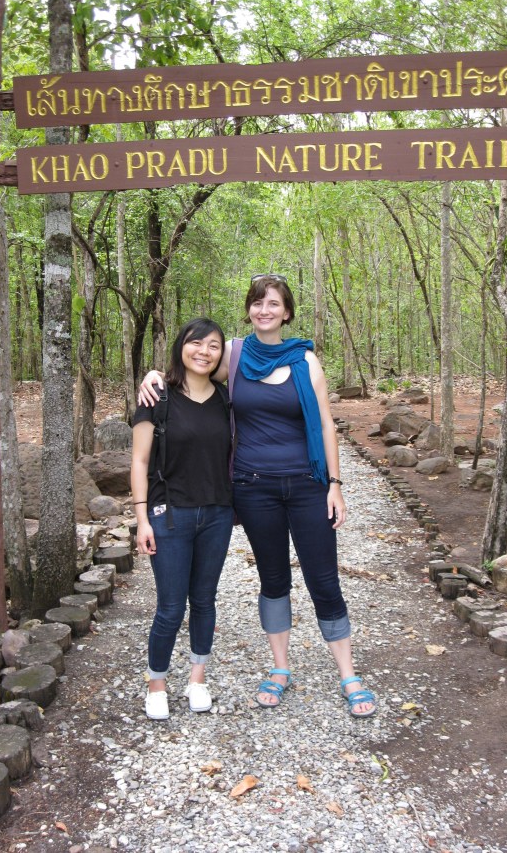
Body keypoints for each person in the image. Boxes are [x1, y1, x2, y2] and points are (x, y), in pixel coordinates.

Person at [140, 275, 376, 718]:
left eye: (273, 304)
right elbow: (192, 367)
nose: (264, 310)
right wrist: (153, 375)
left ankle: (348, 673)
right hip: (252, 487)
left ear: (286, 312)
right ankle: (280, 668)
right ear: (248, 309)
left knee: (323, 579)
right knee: (273, 579)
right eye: (257, 303)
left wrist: (336, 485)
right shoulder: (235, 353)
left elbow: (326, 425)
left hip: (307, 484)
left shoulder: (307, 362)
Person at [131, 318, 234, 721]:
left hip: (217, 514)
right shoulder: (157, 395)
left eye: (214, 346)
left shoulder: (227, 399)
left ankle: (197, 679)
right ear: (181, 346)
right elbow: (139, 461)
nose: (204, 352)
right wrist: (142, 520)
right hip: (169, 514)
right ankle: (157, 683)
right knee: (171, 607)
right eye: (196, 343)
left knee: (205, 600)